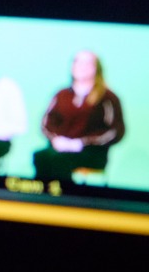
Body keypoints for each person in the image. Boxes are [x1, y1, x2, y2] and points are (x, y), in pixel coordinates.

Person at [32, 50, 124, 182]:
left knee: (58, 160)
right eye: (78, 62)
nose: (82, 66)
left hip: (91, 153)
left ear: (97, 68)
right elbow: (46, 123)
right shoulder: (61, 95)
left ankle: (65, 193)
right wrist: (57, 140)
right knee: (41, 156)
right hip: (59, 149)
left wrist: (81, 143)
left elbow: (115, 131)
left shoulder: (107, 98)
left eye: (87, 63)